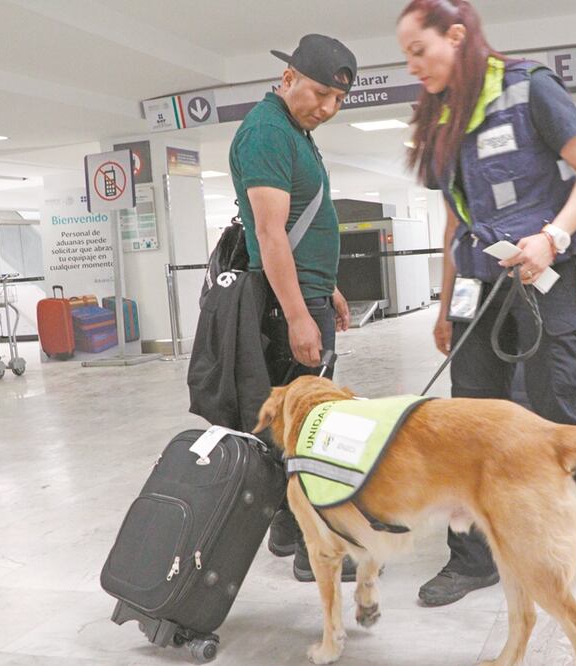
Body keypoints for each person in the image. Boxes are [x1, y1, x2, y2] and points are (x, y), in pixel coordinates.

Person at [397, 0, 576, 607]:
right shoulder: (443, 119)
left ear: (458, 36)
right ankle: (471, 559)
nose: (413, 66)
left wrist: (553, 237)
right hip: (480, 285)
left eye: (420, 50)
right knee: (469, 426)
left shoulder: (528, 88)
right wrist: (445, 306)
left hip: (550, 275)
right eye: (406, 56)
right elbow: (454, 221)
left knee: (563, 410)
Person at [228, 34, 355, 582]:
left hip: (306, 294)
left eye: (337, 100)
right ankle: (313, 549)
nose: (326, 108)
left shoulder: (296, 131)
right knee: (311, 428)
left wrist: (326, 289)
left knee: (293, 425)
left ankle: (285, 529)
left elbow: (305, 219)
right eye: (320, 93)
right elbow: (269, 232)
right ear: (288, 80)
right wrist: (301, 314)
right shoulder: (267, 132)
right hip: (288, 308)